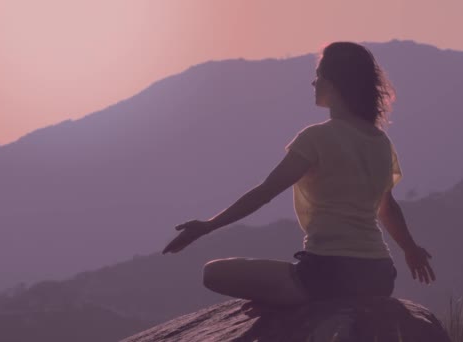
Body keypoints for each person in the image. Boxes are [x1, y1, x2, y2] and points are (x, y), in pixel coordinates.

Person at [162, 42, 435, 308]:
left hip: (328, 273)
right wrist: (410, 249)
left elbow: (265, 192)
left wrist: (208, 226)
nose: (313, 84)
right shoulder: (380, 142)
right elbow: (386, 206)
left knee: (212, 273)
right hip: (380, 275)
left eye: (318, 76)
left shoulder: (316, 138)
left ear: (333, 82)